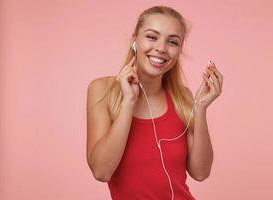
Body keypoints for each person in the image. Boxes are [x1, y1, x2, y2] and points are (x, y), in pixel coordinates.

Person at [86, 5, 223, 200]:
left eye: (173, 42)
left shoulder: (182, 96)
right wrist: (128, 102)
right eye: (151, 37)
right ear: (135, 39)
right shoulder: (102, 90)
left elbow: (200, 172)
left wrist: (200, 109)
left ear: (179, 50)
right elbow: (101, 171)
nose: (161, 48)